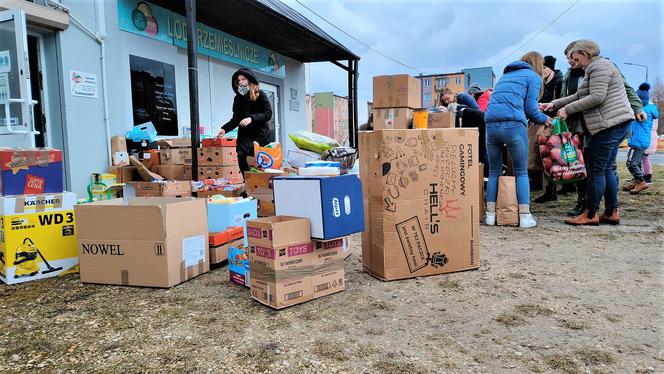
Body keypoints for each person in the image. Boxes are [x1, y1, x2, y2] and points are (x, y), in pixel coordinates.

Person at [541, 40, 635, 226]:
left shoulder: (599, 67)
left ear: (586, 53)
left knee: (595, 170)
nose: (571, 61)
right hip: (612, 124)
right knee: (606, 168)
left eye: (574, 57)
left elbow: (597, 97)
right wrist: (554, 104)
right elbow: (579, 95)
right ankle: (611, 211)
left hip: (609, 125)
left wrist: (568, 110)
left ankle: (590, 214)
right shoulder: (593, 68)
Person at [484, 51, 552, 228]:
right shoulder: (533, 77)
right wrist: (546, 119)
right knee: (521, 171)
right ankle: (524, 217)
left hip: (491, 124)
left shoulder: (504, 77)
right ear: (538, 64)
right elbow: (530, 109)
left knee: (494, 171)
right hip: (514, 125)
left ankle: (490, 215)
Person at [217, 68, 273, 174]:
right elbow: (236, 119)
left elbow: (268, 114)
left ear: (250, 80)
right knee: (241, 156)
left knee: (258, 159)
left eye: (243, 79)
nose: (240, 82)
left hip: (260, 133)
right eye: (239, 80)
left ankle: (260, 184)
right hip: (245, 134)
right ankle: (248, 184)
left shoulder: (260, 95)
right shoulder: (237, 99)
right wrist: (224, 129)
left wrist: (252, 118)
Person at [561, 47, 590, 216]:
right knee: (577, 163)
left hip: (592, 123)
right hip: (575, 123)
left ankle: (596, 203)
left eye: (572, 57)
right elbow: (571, 95)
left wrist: (637, 108)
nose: (570, 61)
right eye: (567, 58)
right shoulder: (569, 75)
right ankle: (581, 201)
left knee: (592, 165)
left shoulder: (593, 71)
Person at [533, 55, 565, 203]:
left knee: (558, 155)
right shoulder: (541, 83)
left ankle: (560, 187)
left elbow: (564, 101)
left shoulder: (560, 81)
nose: (542, 71)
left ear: (550, 68)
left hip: (557, 122)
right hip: (544, 122)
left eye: (544, 68)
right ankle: (550, 190)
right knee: (546, 155)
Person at [623, 83, 659, 193]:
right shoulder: (650, 108)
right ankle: (637, 181)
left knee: (631, 163)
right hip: (642, 140)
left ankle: (641, 181)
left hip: (637, 141)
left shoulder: (642, 110)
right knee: (636, 163)